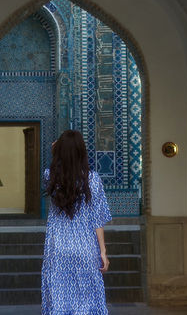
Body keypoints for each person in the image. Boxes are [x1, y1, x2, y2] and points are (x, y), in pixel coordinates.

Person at [41, 130, 112, 315]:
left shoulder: (50, 177)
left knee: (59, 301)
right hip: (85, 250)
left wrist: (56, 150)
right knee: (87, 303)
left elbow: (54, 164)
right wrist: (103, 252)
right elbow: (98, 219)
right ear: (82, 151)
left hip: (58, 250)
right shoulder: (93, 180)